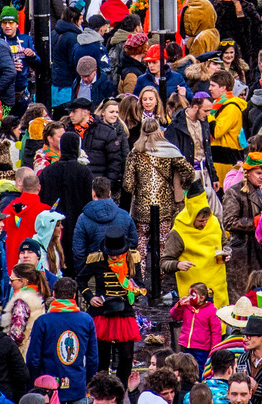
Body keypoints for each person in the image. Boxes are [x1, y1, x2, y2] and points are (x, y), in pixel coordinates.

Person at [122, 117, 193, 261]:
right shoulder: (171, 152)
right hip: (165, 207)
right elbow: (189, 172)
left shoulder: (135, 152)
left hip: (141, 208)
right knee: (162, 247)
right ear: (159, 131)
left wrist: (139, 189)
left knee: (140, 245)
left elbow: (127, 185)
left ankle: (140, 279)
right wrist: (180, 186)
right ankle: (160, 279)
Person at [79, 232, 143, 384]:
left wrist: (135, 290)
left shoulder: (132, 260)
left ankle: (121, 389)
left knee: (127, 356)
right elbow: (81, 280)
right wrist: (90, 297)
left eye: (117, 254)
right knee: (102, 357)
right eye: (110, 254)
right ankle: (101, 389)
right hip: (102, 311)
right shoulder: (97, 260)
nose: (113, 257)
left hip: (124, 310)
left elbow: (141, 284)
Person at [163, 182, 230, 308]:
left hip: (217, 293)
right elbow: (165, 262)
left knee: (220, 325)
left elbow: (225, 244)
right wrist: (177, 264)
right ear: (192, 216)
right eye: (200, 221)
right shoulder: (179, 231)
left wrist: (226, 253)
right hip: (194, 298)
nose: (204, 224)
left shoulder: (214, 222)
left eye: (206, 220)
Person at [221, 152, 262, 303]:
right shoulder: (233, 192)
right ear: (247, 173)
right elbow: (229, 222)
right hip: (241, 253)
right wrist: (255, 222)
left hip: (258, 250)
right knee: (240, 298)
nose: (261, 177)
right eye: (258, 173)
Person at [70, 177, 137, 276]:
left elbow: (78, 251)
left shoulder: (83, 218)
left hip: (94, 272)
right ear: (109, 193)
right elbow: (133, 242)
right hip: (120, 271)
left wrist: (82, 275)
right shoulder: (124, 215)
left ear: (93, 193)